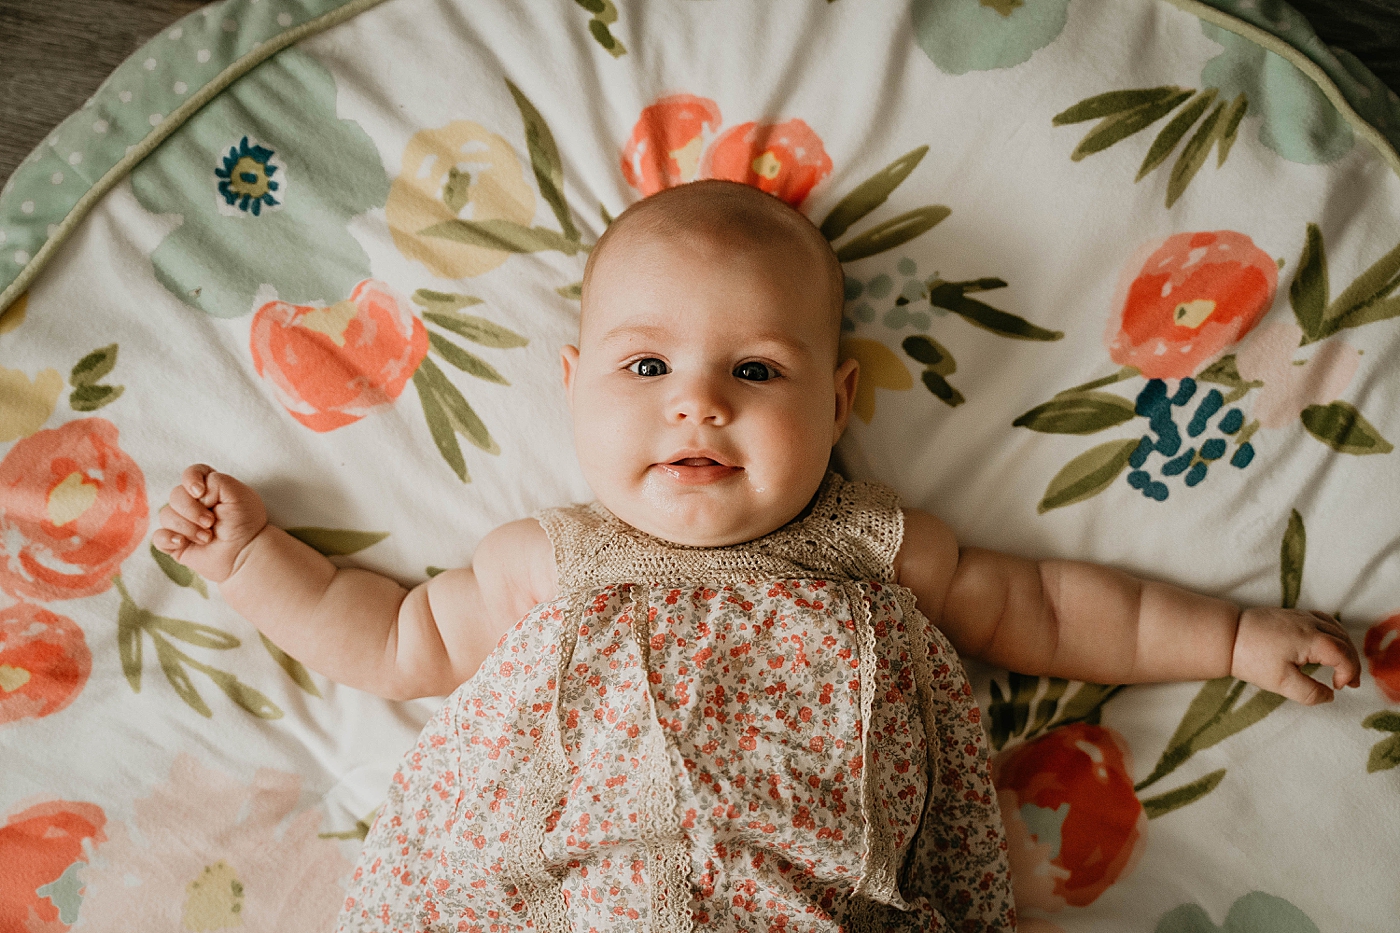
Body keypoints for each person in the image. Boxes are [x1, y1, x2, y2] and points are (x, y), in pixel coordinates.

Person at [155, 180, 1361, 933]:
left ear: (838, 403)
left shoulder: (874, 547)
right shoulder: (551, 560)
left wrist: (1236, 637)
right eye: (645, 368)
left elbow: (1045, 609)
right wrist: (253, 559)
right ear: (570, 389)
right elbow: (393, 640)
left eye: (754, 372)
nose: (697, 406)